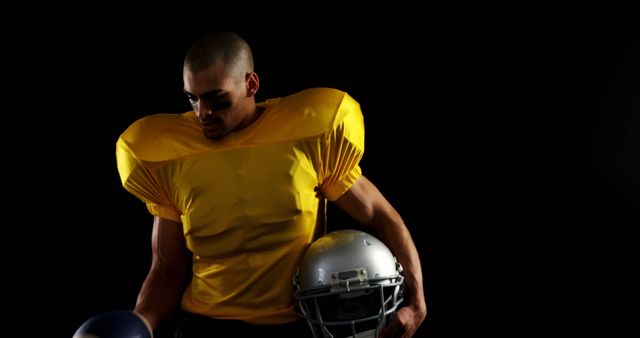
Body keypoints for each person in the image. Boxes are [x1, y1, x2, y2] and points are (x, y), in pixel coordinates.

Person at [115, 30, 426, 337]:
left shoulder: (309, 136)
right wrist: (139, 323)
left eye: (217, 100)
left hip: (293, 325)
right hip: (204, 326)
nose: (203, 113)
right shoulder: (171, 156)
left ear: (251, 84)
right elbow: (166, 268)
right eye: (192, 98)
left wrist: (416, 302)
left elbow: (382, 217)